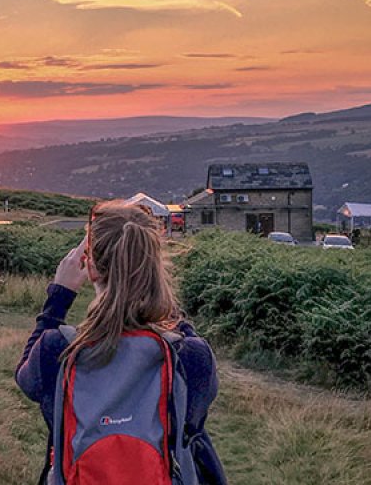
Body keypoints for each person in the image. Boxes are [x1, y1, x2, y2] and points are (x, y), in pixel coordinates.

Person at [16, 201, 226, 484]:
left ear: (90, 268)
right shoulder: (189, 358)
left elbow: (25, 377)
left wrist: (59, 296)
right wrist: (161, 299)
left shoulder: (57, 350)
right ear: (155, 267)